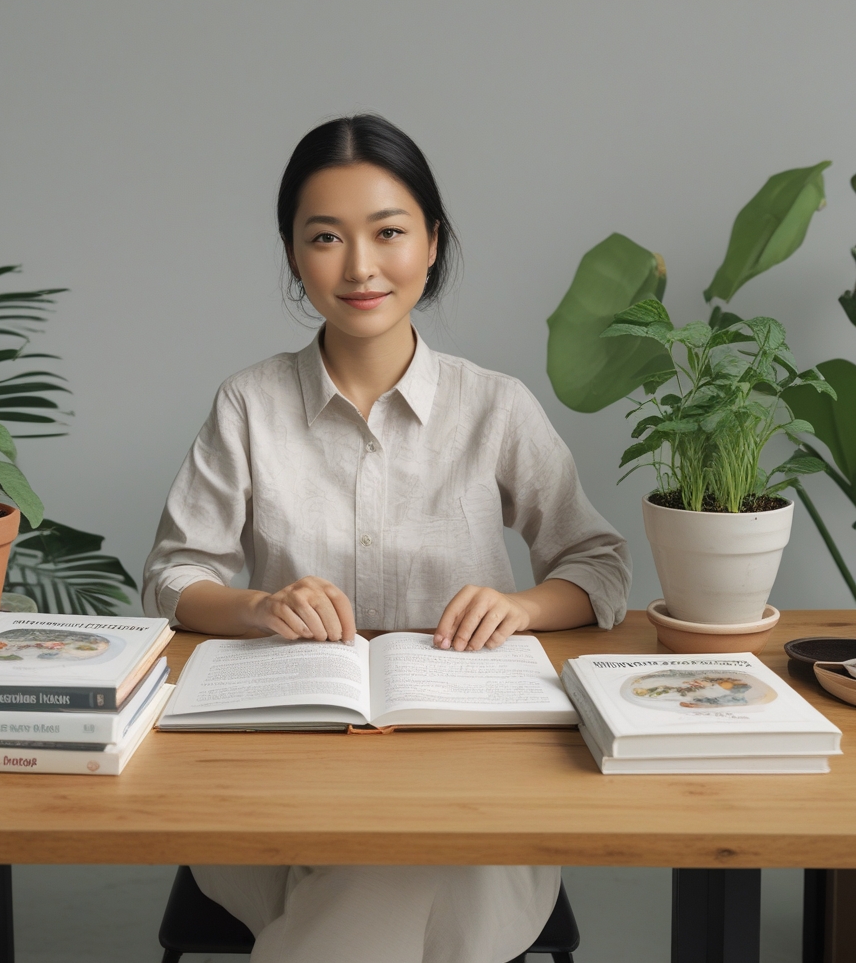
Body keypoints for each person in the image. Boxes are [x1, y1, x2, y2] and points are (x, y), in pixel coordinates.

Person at [143, 114, 631, 963]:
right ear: (294, 254)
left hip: (474, 786)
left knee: (402, 867)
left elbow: (600, 566)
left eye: (389, 232)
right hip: (274, 782)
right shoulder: (248, 405)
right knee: (408, 878)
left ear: (432, 243)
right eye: (325, 237)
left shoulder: (495, 406)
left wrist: (518, 606)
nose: (360, 266)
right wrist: (260, 605)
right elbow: (172, 575)